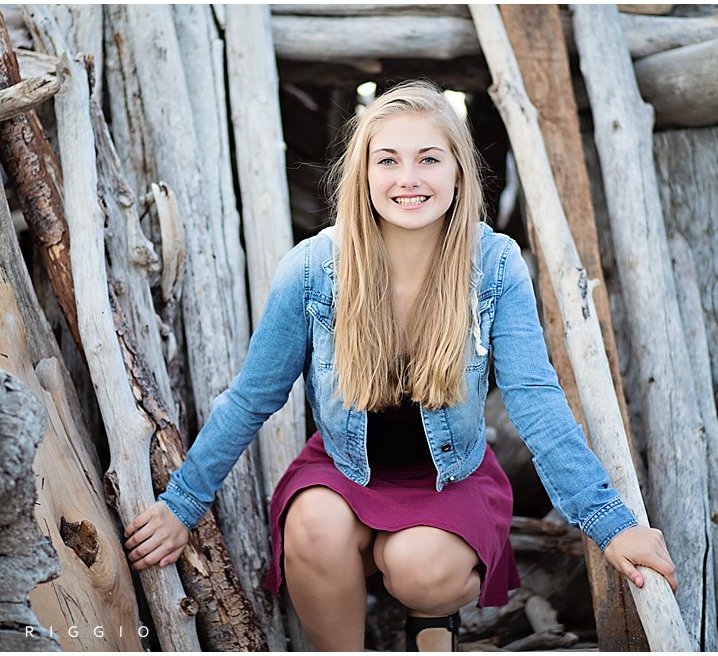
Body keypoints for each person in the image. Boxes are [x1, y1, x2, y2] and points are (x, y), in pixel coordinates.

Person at [124, 80, 677, 651]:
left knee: (417, 565)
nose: (408, 179)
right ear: (364, 175)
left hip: (448, 478)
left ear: (459, 171)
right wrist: (181, 504)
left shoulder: (494, 266)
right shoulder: (315, 269)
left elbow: (536, 401)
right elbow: (250, 397)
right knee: (314, 527)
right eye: (387, 160)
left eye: (429, 159)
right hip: (344, 473)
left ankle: (429, 617)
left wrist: (612, 525)